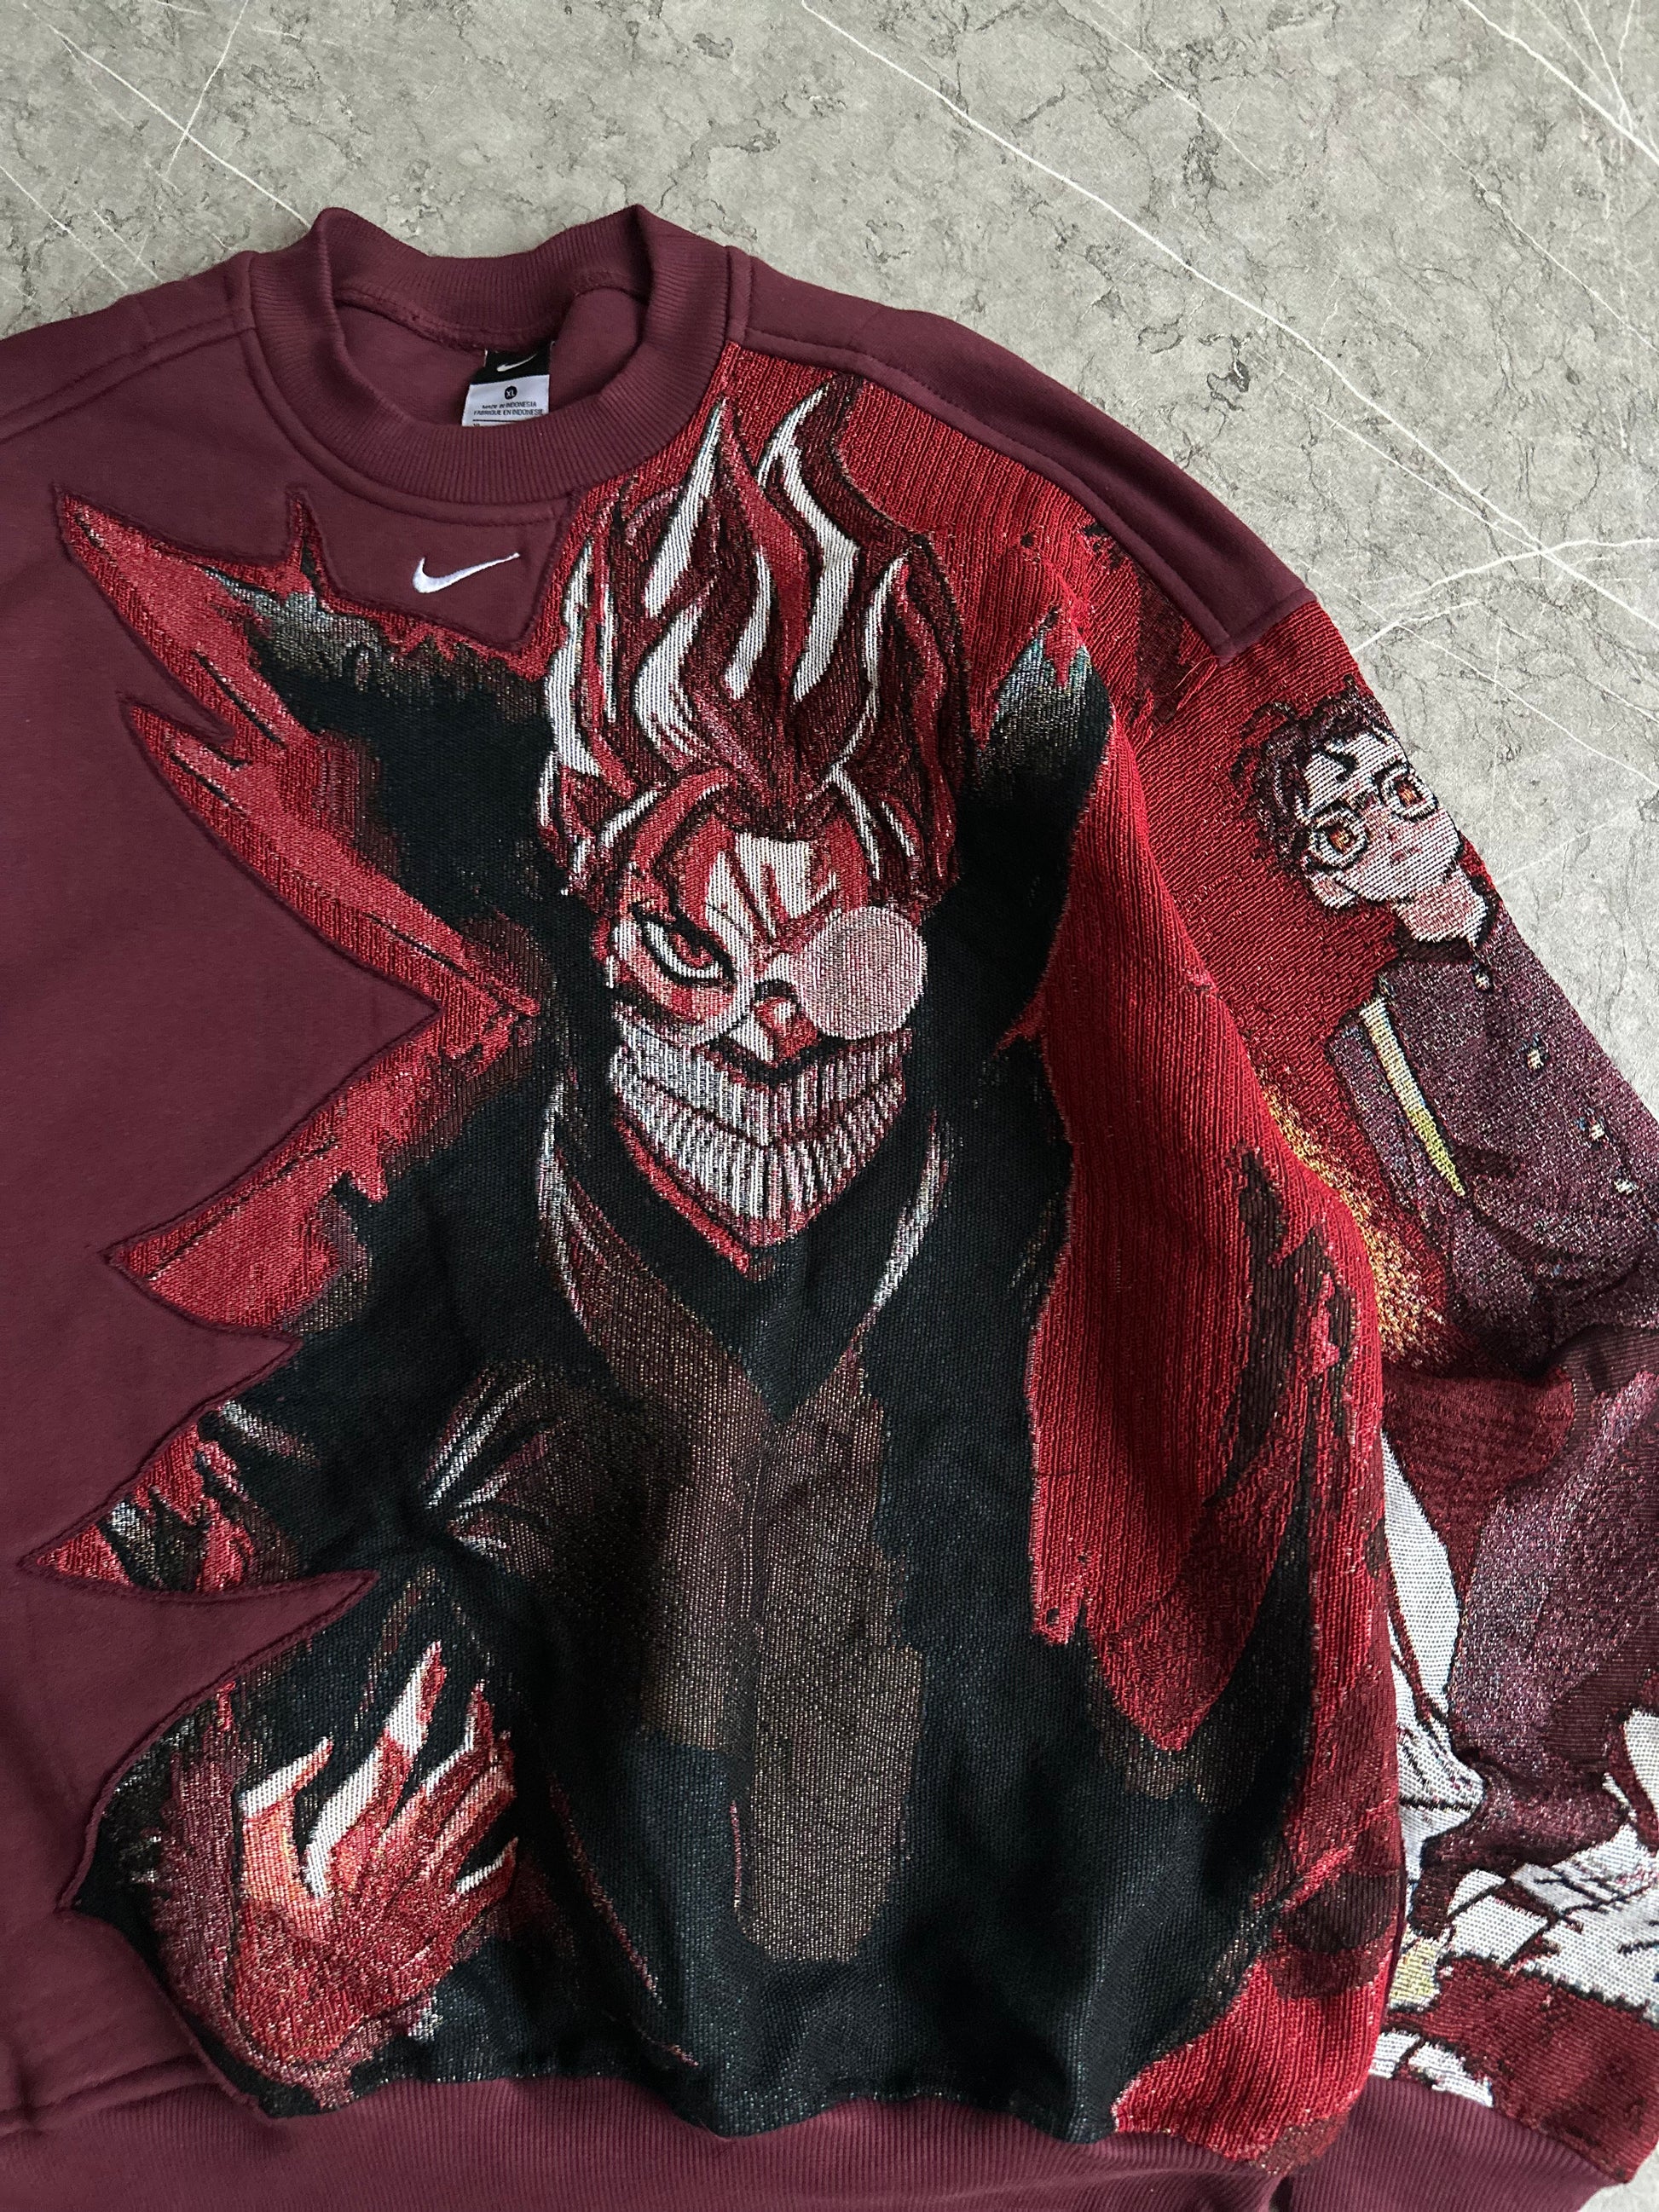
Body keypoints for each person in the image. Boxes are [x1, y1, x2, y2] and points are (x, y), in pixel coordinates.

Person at [1235, 678, 1659, 1926]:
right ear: (1331, 882)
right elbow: (1448, 1233)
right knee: (1557, 1534)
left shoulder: (1551, 913)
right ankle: (1541, 1800)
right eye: (1343, 827)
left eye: (1392, 789)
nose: (1386, 823)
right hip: (1598, 1324)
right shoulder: (1376, 1040)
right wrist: (1570, 1370)